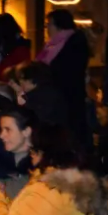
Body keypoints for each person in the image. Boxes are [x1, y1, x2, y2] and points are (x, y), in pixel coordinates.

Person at [39, 9, 91, 148]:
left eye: (49, 24)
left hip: (68, 97)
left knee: (70, 134)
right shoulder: (53, 45)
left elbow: (66, 70)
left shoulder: (74, 43)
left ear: (59, 25)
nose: (47, 28)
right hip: (56, 98)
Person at [15, 61, 68, 129]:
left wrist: (23, 105)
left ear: (33, 79)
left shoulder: (44, 96)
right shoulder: (36, 94)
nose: (20, 82)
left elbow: (36, 120)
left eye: (23, 79)